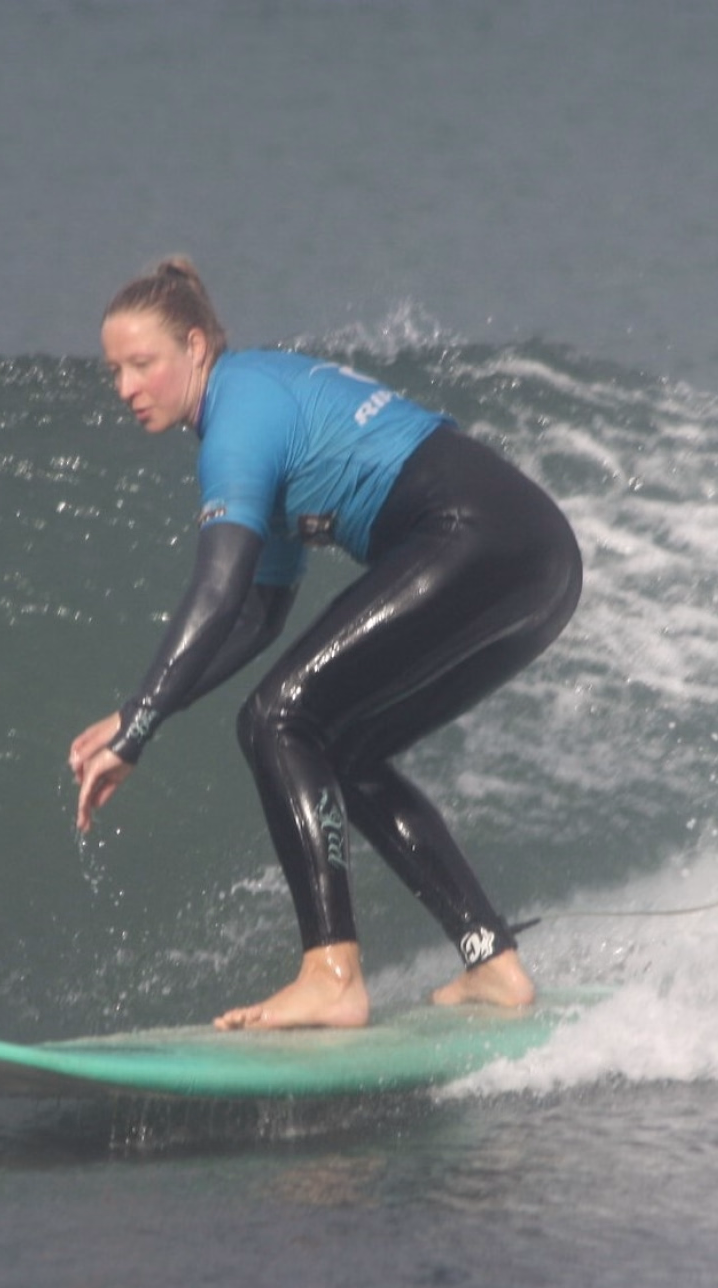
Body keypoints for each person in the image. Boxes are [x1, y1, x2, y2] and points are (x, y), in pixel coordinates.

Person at [70, 258, 582, 1030]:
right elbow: (256, 613)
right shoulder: (260, 402)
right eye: (115, 371)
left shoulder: (238, 417)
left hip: (470, 533)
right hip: (538, 558)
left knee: (275, 717)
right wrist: (141, 712)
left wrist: (138, 728)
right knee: (344, 746)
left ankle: (331, 975)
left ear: (196, 347)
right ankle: (492, 962)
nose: (126, 388)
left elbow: (215, 592)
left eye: (143, 364)